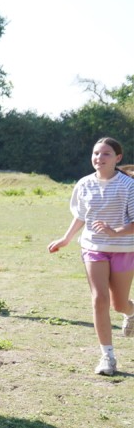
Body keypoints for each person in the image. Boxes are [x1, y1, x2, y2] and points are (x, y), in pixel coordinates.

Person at [48, 138, 134, 376]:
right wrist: (65, 239)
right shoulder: (84, 184)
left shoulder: (128, 185)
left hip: (124, 249)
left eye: (106, 154)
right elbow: (81, 216)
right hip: (93, 247)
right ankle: (107, 357)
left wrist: (115, 231)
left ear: (117, 158)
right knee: (99, 298)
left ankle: (130, 312)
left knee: (119, 303)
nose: (99, 158)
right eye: (96, 153)